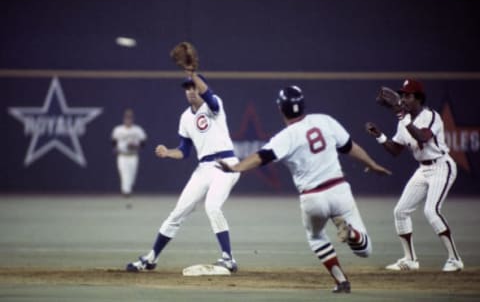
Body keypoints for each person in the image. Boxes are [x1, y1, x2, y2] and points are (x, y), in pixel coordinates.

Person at [217, 85, 391, 293]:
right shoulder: (324, 120)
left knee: (316, 237)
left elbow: (261, 157)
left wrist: (236, 167)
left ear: (281, 109)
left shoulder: (286, 136)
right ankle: (352, 233)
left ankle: (341, 281)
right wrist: (371, 164)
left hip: (312, 198)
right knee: (365, 251)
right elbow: (350, 147)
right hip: (339, 189)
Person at [126, 71, 240, 272]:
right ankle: (151, 258)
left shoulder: (214, 105)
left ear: (201, 87)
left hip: (226, 164)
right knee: (177, 213)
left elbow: (210, 97)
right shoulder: (185, 118)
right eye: (187, 88)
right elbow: (184, 151)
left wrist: (193, 73)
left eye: (194, 87)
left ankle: (228, 258)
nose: (190, 91)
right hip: (204, 167)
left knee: (212, 206)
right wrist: (168, 152)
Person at [365, 79, 463, 272]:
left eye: (407, 96)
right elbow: (395, 150)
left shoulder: (431, 116)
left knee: (431, 211)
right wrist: (379, 136)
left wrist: (402, 115)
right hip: (423, 169)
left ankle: (455, 259)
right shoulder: (403, 122)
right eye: (401, 95)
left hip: (442, 166)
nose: (403, 99)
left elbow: (422, 137)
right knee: (400, 211)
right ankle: (410, 260)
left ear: (418, 98)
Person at [111, 109, 147, 208]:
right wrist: (115, 149)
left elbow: (143, 143)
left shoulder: (137, 130)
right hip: (122, 156)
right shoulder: (118, 130)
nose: (128, 120)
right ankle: (127, 200)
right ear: (124, 119)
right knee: (125, 177)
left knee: (131, 179)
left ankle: (127, 195)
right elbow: (113, 142)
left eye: (130, 118)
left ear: (132, 119)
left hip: (133, 156)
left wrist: (135, 146)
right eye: (127, 118)